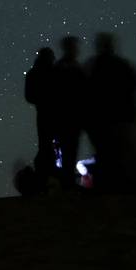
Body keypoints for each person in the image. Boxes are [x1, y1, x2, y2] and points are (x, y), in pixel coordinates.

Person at [86, 32, 136, 191]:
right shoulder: (122, 65)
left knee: (106, 157)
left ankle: (108, 188)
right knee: (126, 157)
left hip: (104, 120)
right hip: (124, 118)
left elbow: (87, 92)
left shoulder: (94, 65)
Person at [52, 35, 88, 187]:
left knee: (69, 151)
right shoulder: (69, 67)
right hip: (68, 116)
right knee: (68, 151)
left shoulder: (63, 66)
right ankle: (68, 183)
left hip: (68, 116)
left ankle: (67, 182)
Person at [24, 47, 58, 175]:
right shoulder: (53, 72)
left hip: (45, 114)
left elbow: (29, 96)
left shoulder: (34, 73)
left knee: (46, 145)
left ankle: (46, 175)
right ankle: (49, 175)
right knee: (47, 145)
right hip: (49, 114)